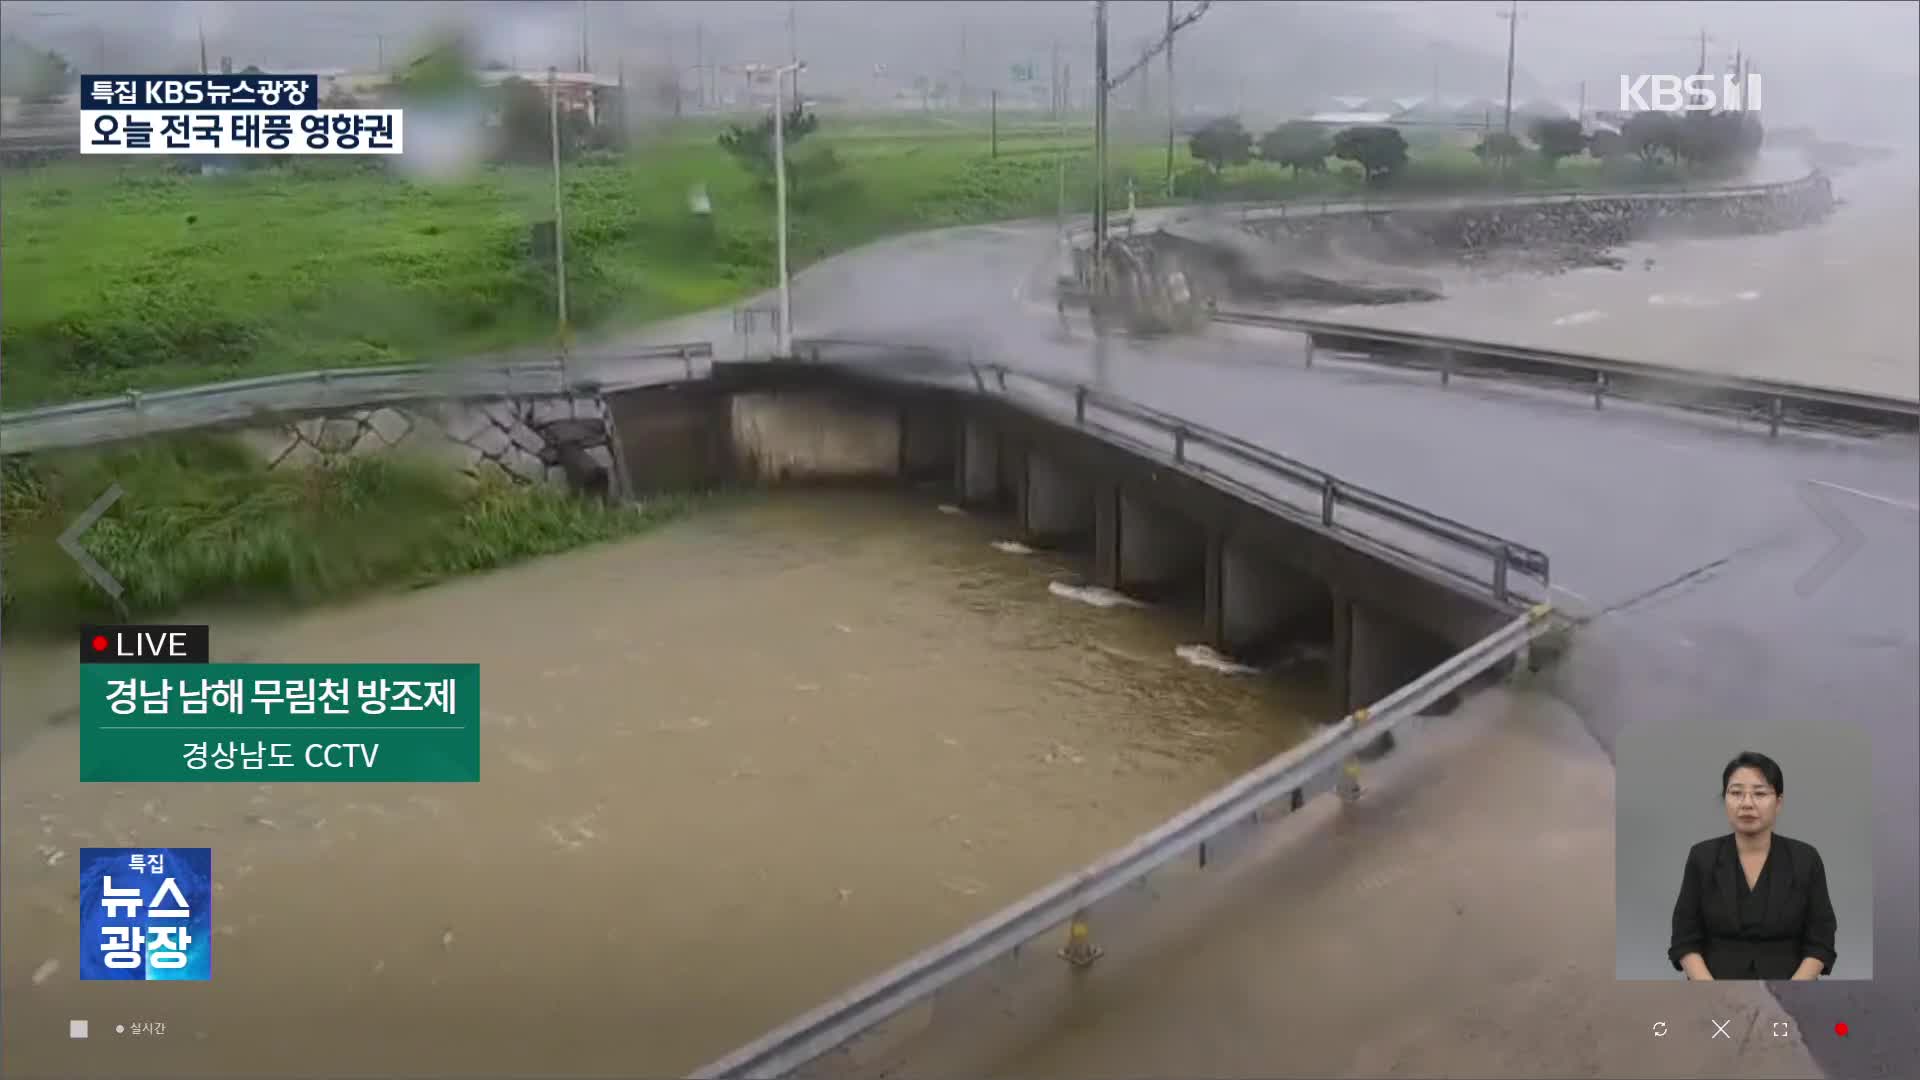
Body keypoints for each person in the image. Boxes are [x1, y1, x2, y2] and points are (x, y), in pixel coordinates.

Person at [1668, 751, 1838, 981]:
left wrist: (1795, 988)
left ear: (1778, 802)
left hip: (1790, 988)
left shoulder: (1805, 859)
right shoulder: (1702, 857)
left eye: (1759, 793)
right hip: (1712, 987)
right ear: (1725, 798)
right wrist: (1708, 989)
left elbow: (1821, 940)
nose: (1747, 803)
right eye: (1736, 793)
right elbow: (1684, 938)